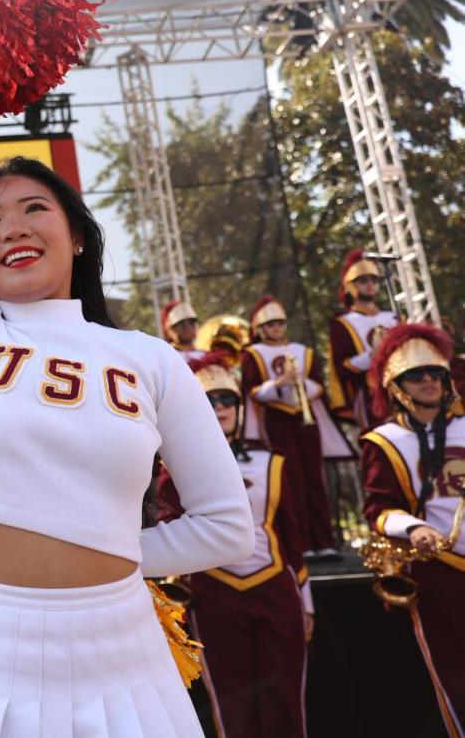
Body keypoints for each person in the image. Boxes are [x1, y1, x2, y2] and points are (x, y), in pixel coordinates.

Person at [0, 91, 251, 737]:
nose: (13, 228)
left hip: (119, 646)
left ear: (78, 235)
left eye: (35, 209)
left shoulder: (151, 359)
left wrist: (106, 558)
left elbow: (226, 527)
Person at [156, 353, 313, 738]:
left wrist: (306, 601)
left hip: (277, 588)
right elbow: (168, 528)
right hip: (212, 593)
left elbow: (290, 536)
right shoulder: (171, 466)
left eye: (228, 400)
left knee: (286, 701)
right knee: (231, 704)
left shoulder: (272, 462)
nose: (221, 408)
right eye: (210, 401)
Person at [359, 323, 464, 735]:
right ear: (396, 386)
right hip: (437, 568)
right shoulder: (382, 441)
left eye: (436, 373)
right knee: (456, 675)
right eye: (416, 375)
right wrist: (415, 527)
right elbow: (378, 510)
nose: (429, 381)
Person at [241, 295, 353, 560]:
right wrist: (280, 383)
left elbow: (319, 387)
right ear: (259, 328)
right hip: (276, 420)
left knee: (314, 479)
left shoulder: (304, 351)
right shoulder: (252, 354)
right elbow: (252, 391)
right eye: (270, 324)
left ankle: (324, 541)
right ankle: (300, 544)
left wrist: (302, 383)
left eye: (280, 323)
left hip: (307, 421)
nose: (277, 328)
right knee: (290, 481)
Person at [328, 250, 401, 431]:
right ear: (349, 286)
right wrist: (372, 356)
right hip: (370, 393)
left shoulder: (393, 317)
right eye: (363, 280)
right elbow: (342, 368)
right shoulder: (343, 323)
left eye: (374, 280)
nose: (370, 285)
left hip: (404, 386)